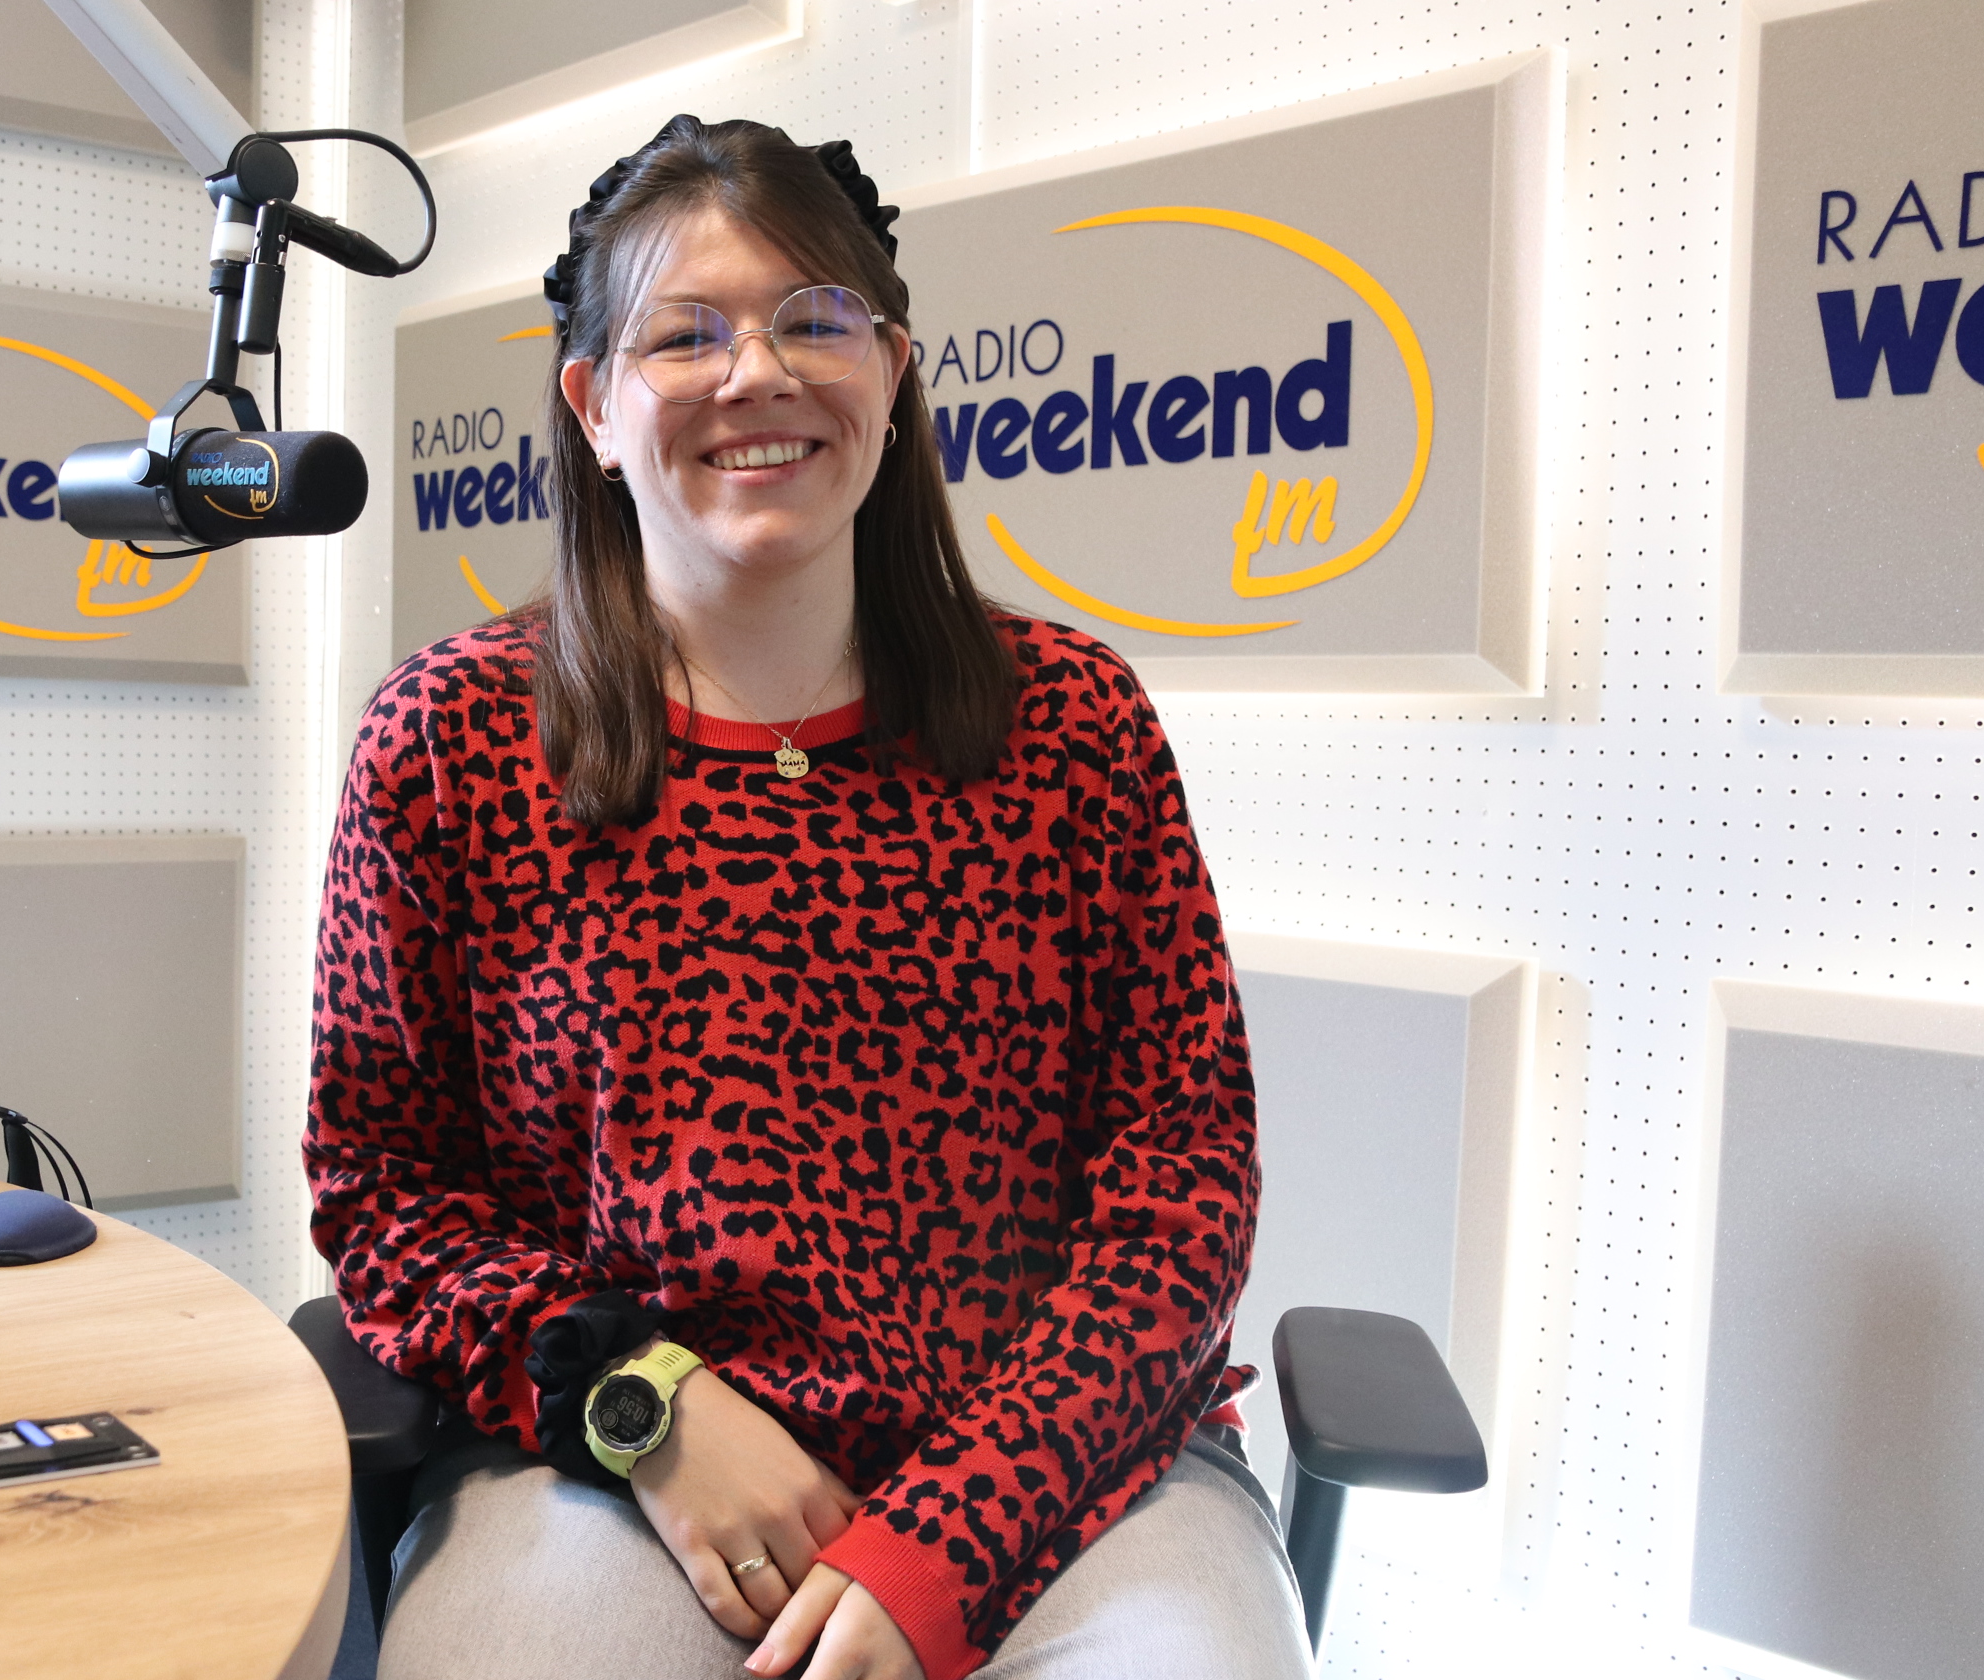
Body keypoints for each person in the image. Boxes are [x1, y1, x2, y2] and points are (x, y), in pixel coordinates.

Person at [306, 116, 1302, 1680]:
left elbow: (1183, 1184)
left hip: (1065, 1472)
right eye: (685, 335)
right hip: (623, 1473)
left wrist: (954, 1533)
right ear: (593, 404)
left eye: (815, 320)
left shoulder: (1075, 723)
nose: (756, 373)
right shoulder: (450, 739)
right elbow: (385, 1195)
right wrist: (643, 1405)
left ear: (891, 374)